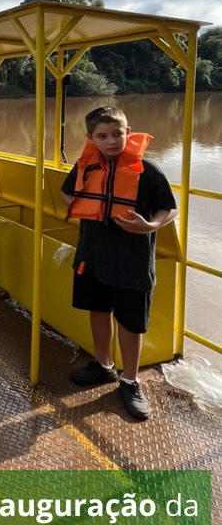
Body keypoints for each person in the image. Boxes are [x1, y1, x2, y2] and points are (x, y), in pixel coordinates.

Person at [61, 105, 177, 421]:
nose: (111, 141)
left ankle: (131, 381)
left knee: (131, 322)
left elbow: (169, 208)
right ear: (90, 138)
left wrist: (150, 226)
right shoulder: (85, 166)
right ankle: (104, 365)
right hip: (93, 255)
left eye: (117, 134)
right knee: (98, 310)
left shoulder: (147, 171)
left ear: (128, 132)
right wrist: (87, 200)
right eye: (103, 136)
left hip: (132, 261)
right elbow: (67, 194)